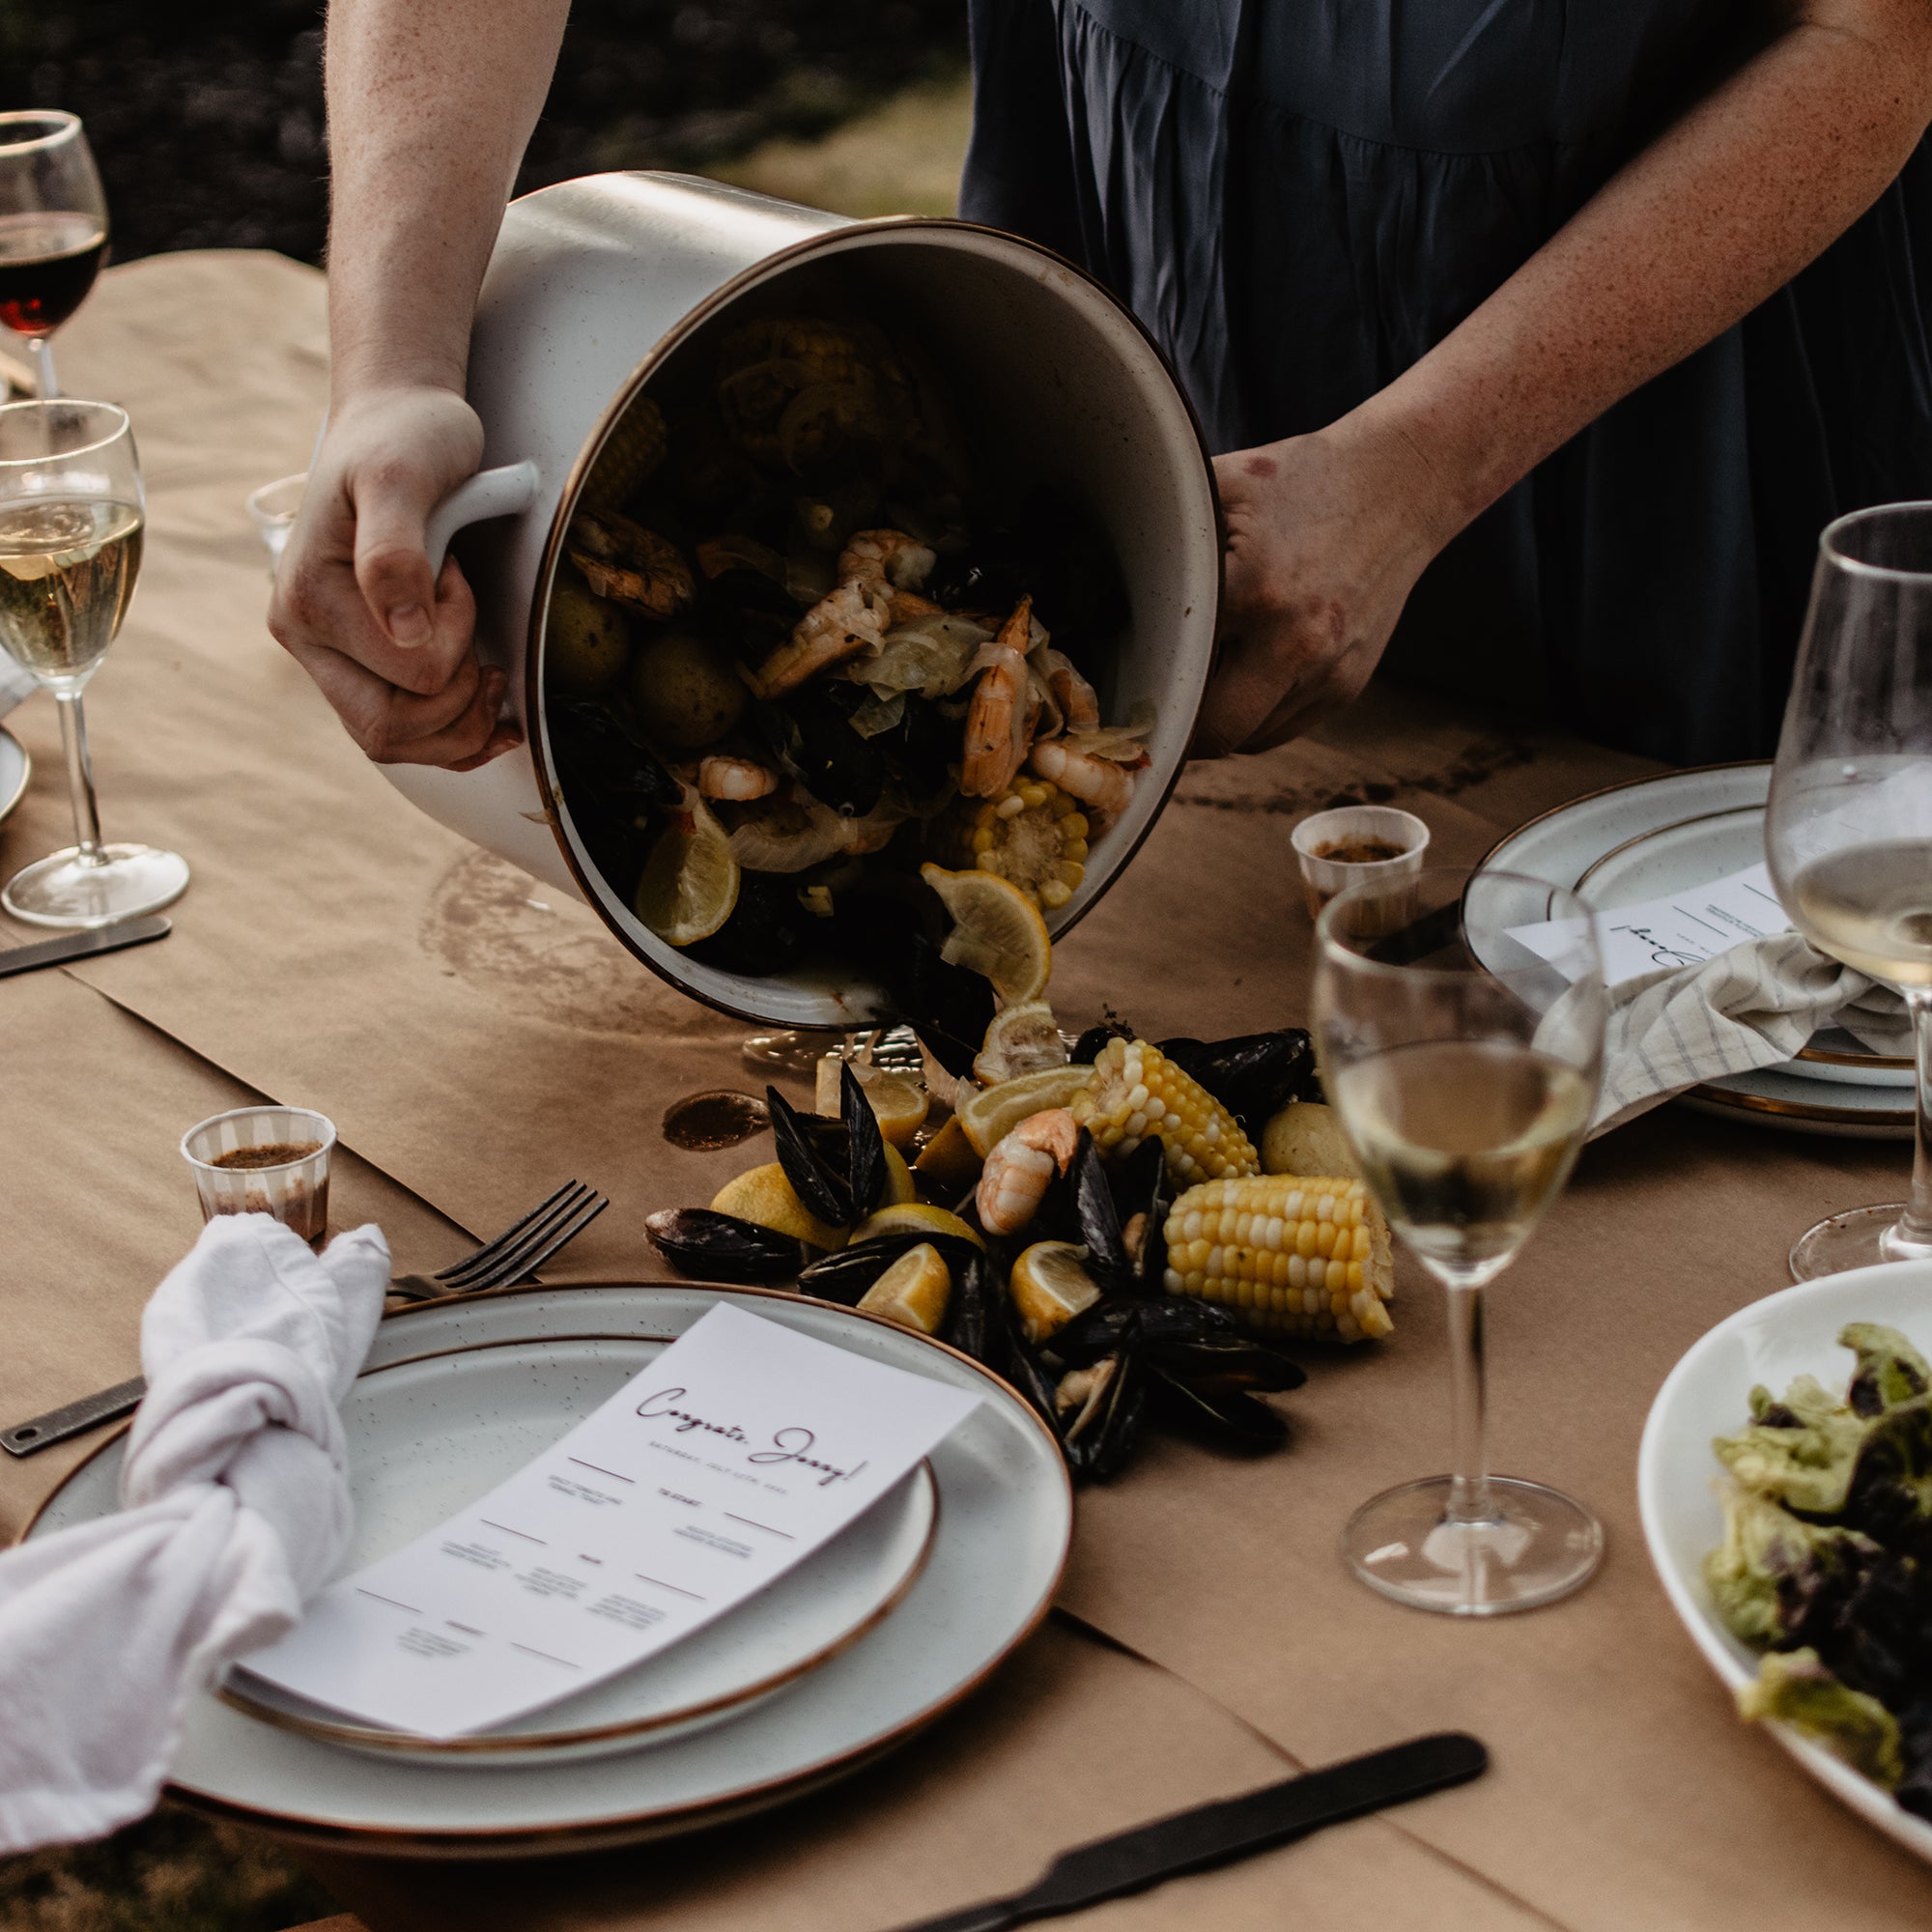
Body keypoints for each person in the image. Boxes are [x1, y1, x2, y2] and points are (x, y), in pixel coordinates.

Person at [270, 0, 1932, 773]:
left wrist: (1421, 466)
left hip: (1667, 417)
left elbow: (1881, 31)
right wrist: (392, 372)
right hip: (1186, 288)